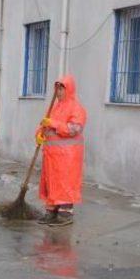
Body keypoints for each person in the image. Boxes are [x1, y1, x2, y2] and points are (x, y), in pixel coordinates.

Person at [35, 75, 87, 226]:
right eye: (57, 88)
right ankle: (51, 213)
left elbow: (74, 129)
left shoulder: (76, 108)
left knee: (64, 184)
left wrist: (54, 123)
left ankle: (65, 215)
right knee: (52, 183)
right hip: (52, 156)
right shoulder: (54, 108)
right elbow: (45, 125)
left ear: (69, 89)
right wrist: (39, 134)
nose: (58, 92)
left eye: (62, 88)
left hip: (67, 157)